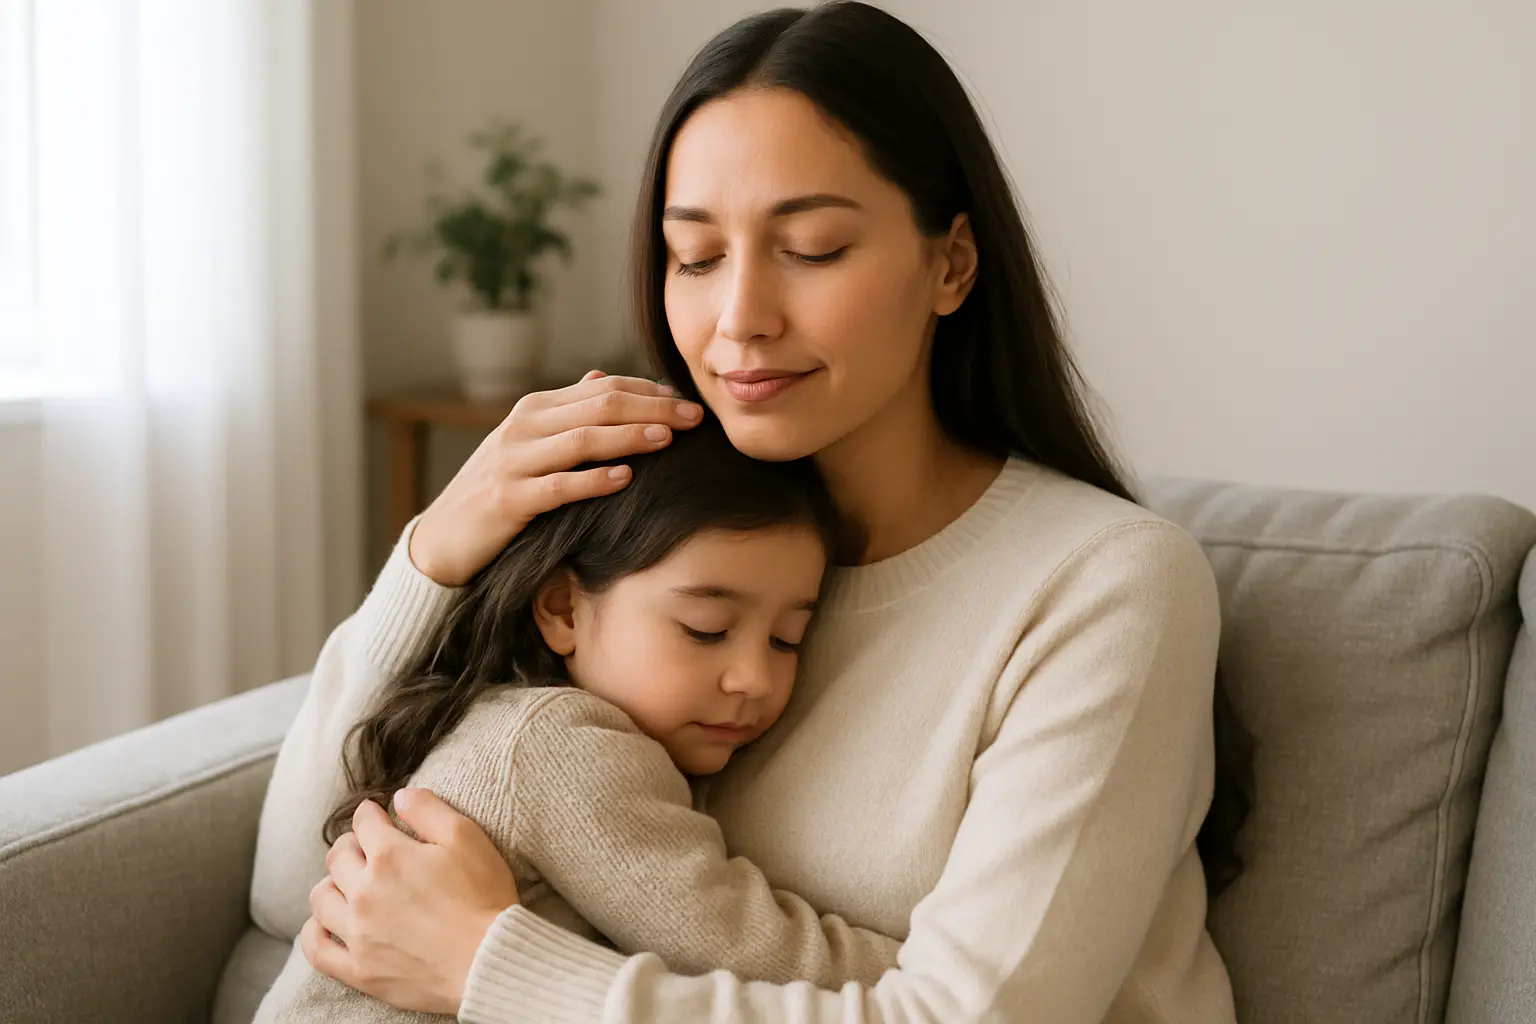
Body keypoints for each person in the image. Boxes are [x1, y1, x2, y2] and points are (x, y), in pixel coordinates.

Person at [249, 3, 1250, 1021]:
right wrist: (436, 552)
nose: (739, 320)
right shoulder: (649, 540)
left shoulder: (1107, 583)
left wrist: (490, 969)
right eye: (695, 256)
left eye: (811, 247)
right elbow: (295, 895)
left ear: (951, 264)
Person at [251, 422, 903, 1023]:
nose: (754, 678)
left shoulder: (512, 719)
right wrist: (924, 976)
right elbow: (740, 945)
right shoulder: (563, 743)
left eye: (788, 639)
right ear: (564, 608)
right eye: (706, 629)